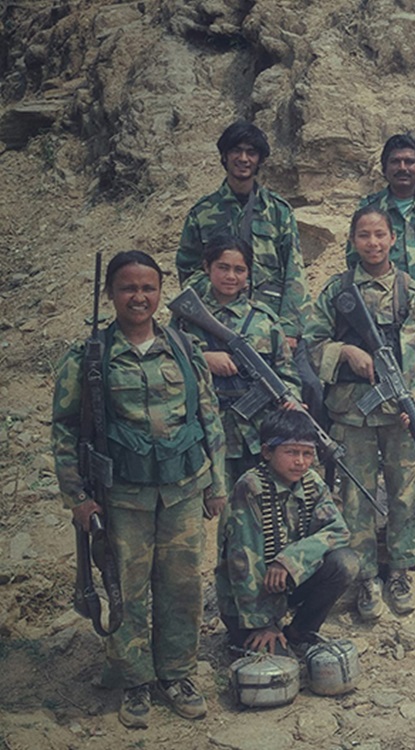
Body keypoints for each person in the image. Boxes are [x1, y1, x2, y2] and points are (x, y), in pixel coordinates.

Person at [52, 251, 227, 728]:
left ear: (160, 292)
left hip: (183, 489)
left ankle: (177, 674)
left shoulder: (184, 349)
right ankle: (133, 680)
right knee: (126, 589)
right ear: (111, 293)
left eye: (148, 288)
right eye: (128, 288)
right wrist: (78, 498)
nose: (139, 297)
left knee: (182, 587)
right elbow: (65, 430)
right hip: (123, 495)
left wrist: (217, 483)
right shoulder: (88, 357)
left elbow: (209, 417)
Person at [306, 206, 415, 621]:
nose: (373, 243)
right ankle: (364, 576)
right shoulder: (336, 290)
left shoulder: (410, 290)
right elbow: (311, 344)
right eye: (364, 235)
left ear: (393, 238)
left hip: (397, 410)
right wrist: (345, 351)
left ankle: (400, 570)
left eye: (380, 234)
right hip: (351, 410)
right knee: (356, 496)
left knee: (404, 492)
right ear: (352, 240)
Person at [216, 409, 357, 655]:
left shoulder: (311, 482)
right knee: (274, 666)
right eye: (291, 452)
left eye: (307, 453)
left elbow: (338, 531)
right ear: (267, 452)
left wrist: (289, 560)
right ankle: (254, 632)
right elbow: (243, 562)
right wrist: (262, 624)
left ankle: (300, 632)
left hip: (284, 584)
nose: (300, 461)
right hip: (246, 601)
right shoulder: (251, 488)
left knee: (344, 562)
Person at [176, 121, 310, 349]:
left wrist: (289, 329)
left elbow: (294, 272)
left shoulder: (278, 212)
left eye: (251, 152)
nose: (243, 158)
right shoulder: (202, 213)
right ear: (225, 155)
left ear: (260, 160)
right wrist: (219, 291)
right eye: (236, 150)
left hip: (268, 327)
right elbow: (187, 270)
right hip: (217, 324)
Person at [181, 235, 301, 484]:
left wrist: (292, 400)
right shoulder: (187, 316)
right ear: (207, 267)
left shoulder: (264, 320)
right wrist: (203, 359)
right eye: (223, 267)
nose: (231, 276)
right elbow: (169, 362)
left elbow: (286, 371)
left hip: (257, 435)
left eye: (239, 270)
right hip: (208, 433)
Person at [345, 134, 415, 285]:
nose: (402, 168)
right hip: (385, 295)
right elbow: (354, 258)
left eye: (409, 162)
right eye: (395, 162)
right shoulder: (369, 208)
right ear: (384, 168)